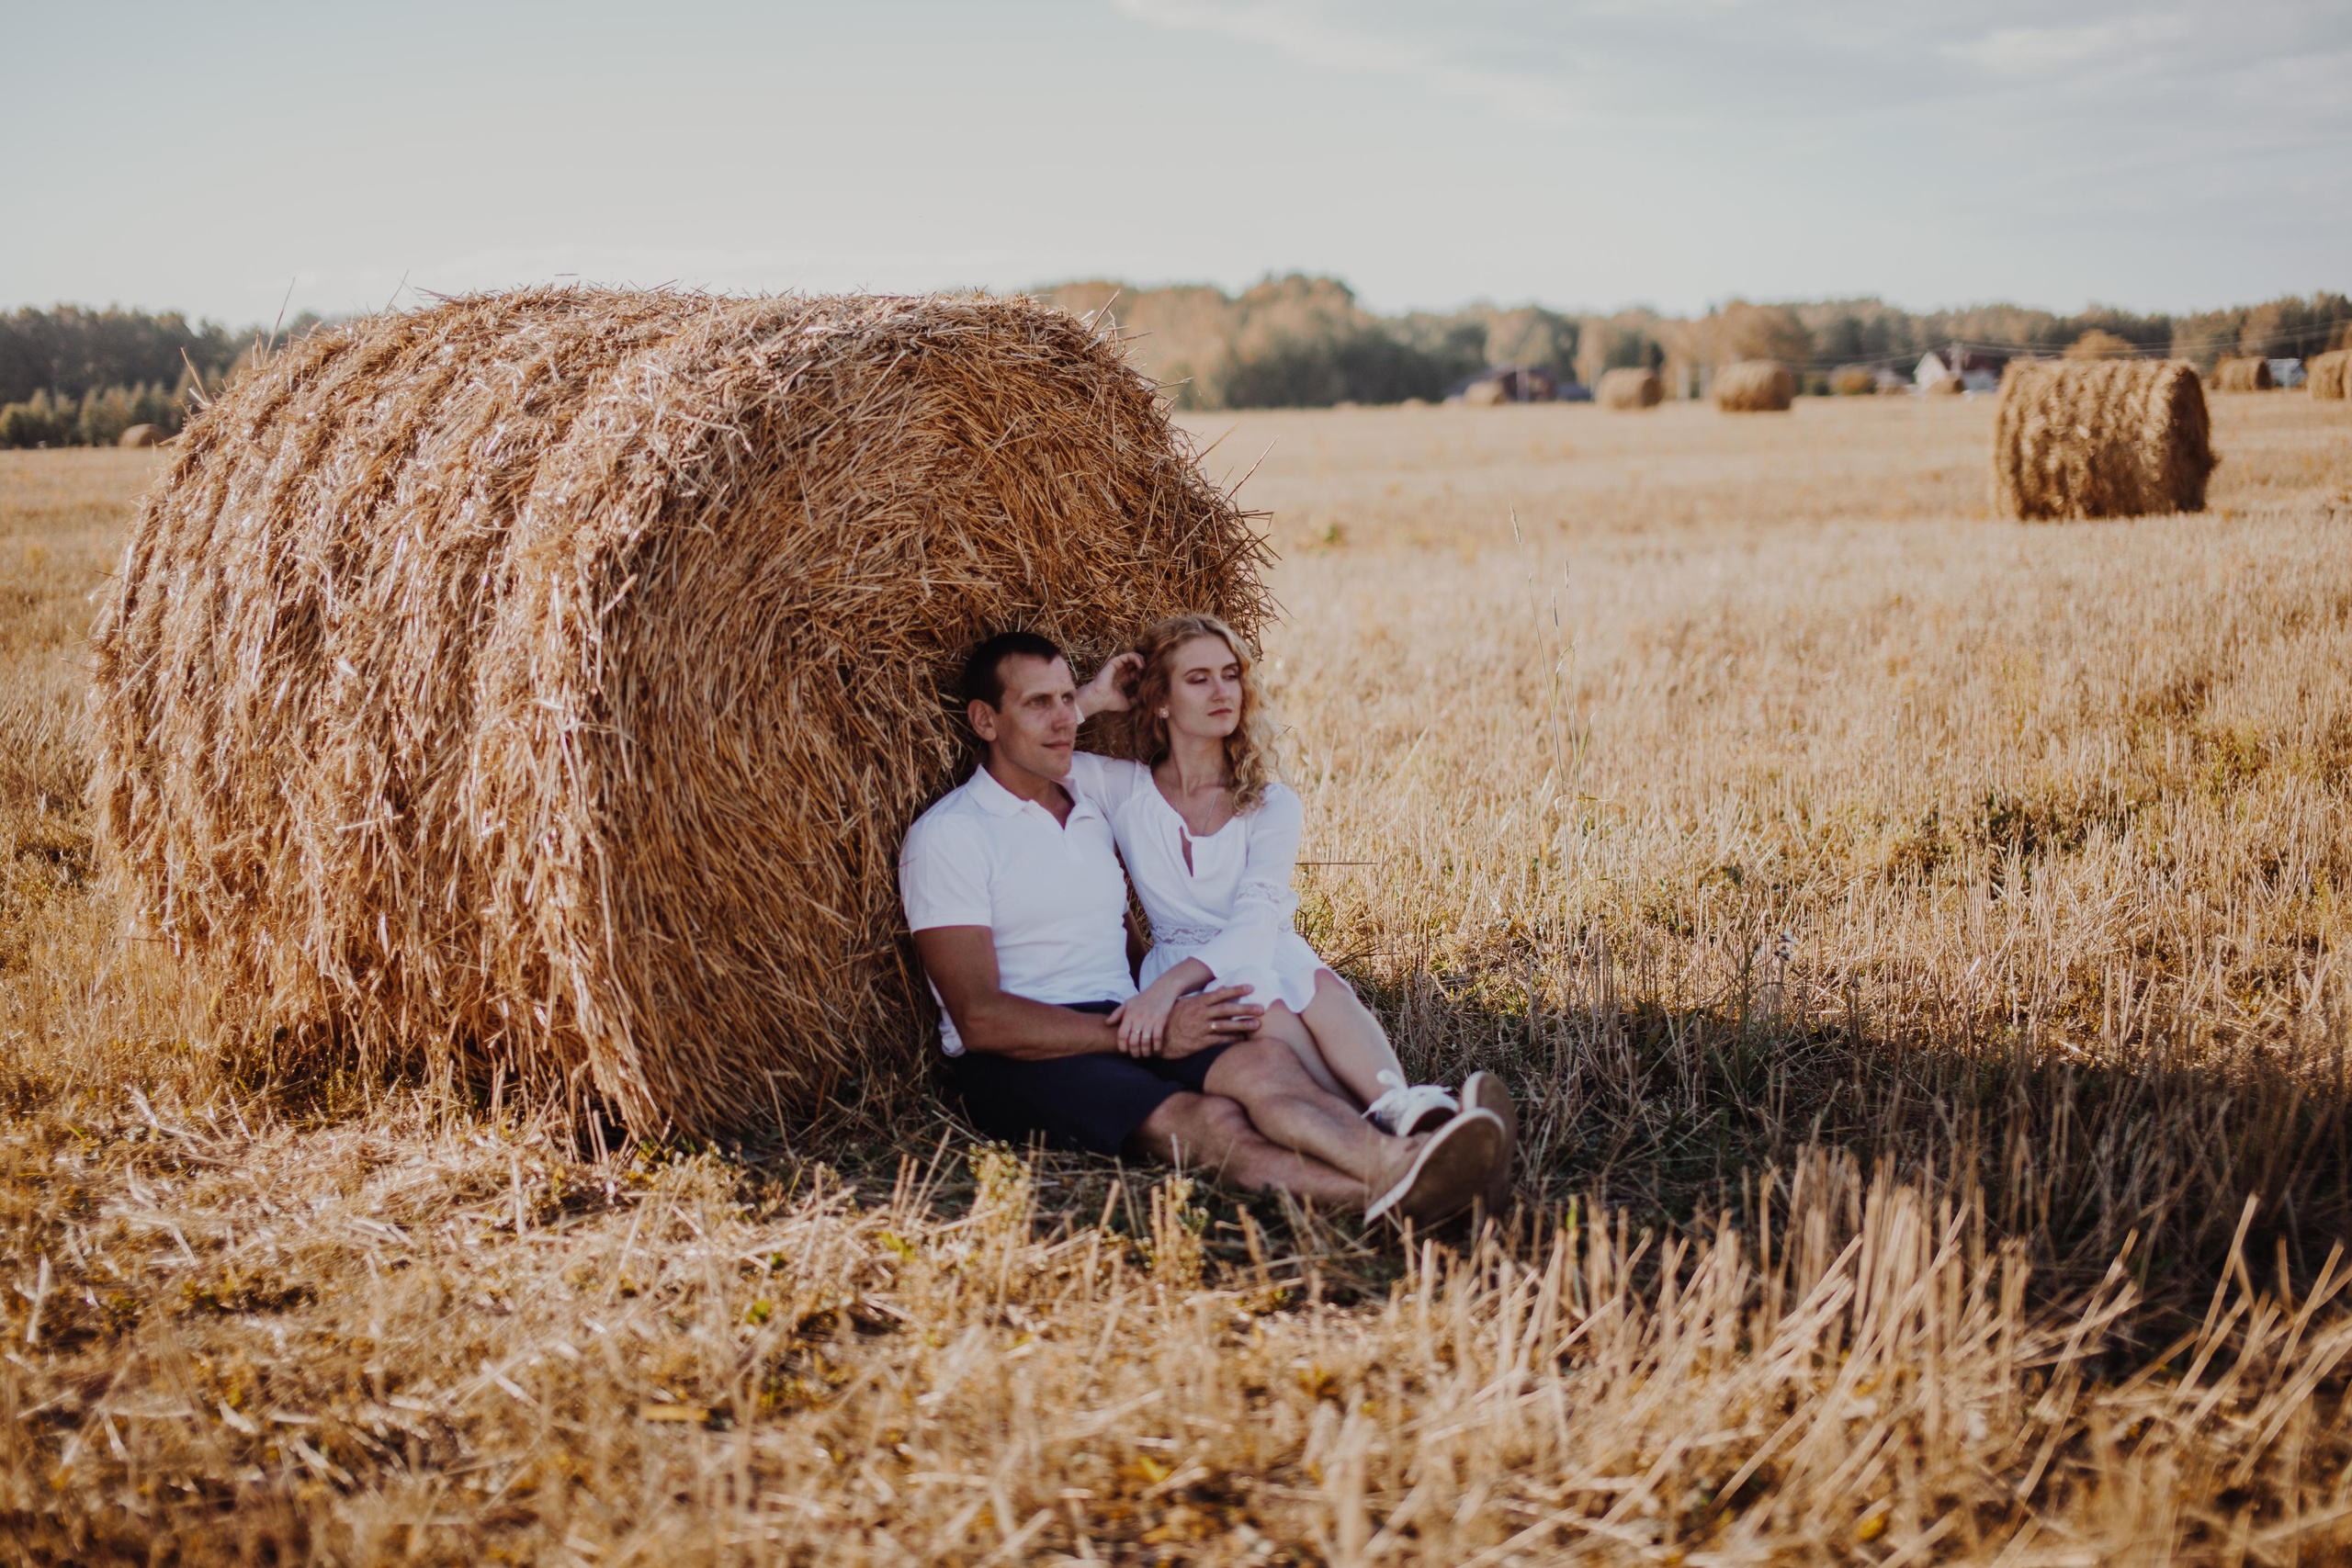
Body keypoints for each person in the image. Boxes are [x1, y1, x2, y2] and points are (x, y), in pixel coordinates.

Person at [899, 630, 1506, 1224]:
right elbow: (980, 1019)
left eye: (1067, 699)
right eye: (1038, 702)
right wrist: (1150, 1033)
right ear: (985, 720)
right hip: (1027, 1056)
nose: (1063, 718)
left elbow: (1118, 934)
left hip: (1128, 1016)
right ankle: (1404, 1187)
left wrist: (1157, 1006)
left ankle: (1406, 1156)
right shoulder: (952, 834)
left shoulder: (1087, 810)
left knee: (1266, 1064)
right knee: (1213, 1123)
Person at [1071, 615, 1516, 1206]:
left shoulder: (1269, 801)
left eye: (1230, 674)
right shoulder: (1122, 789)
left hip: (1264, 948)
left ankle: (1399, 1106)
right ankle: (1414, 1141)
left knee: (1322, 992)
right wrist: (1093, 699)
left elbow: (1256, 923)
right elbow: (1027, 746)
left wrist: (1160, 989)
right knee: (1270, 1011)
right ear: (1160, 701)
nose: (1222, 690)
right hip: (1197, 970)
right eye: (1198, 679)